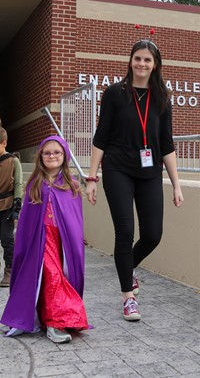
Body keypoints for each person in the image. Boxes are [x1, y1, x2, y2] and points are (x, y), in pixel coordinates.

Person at [85, 39, 184, 321]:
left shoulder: (162, 96)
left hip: (150, 171)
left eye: (147, 60)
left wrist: (176, 184)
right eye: (137, 58)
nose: (142, 64)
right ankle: (128, 297)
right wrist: (92, 177)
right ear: (130, 61)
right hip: (117, 169)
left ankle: (129, 269)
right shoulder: (115, 93)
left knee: (153, 234)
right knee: (125, 232)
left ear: (155, 65)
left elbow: (166, 144)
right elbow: (101, 137)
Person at [1, 135, 88, 343]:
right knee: (52, 276)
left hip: (63, 242)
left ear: (64, 155)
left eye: (57, 152)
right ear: (41, 156)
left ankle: (53, 316)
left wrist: (76, 242)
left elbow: (75, 219)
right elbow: (27, 220)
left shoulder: (72, 185)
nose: (52, 156)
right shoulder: (34, 184)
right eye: (47, 152)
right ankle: (54, 323)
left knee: (58, 277)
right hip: (41, 239)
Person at [0, 127, 23, 287]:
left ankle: (10, 269)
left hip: (7, 206)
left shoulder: (13, 160)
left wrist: (16, 207)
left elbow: (18, 183)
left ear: (4, 143)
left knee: (7, 239)